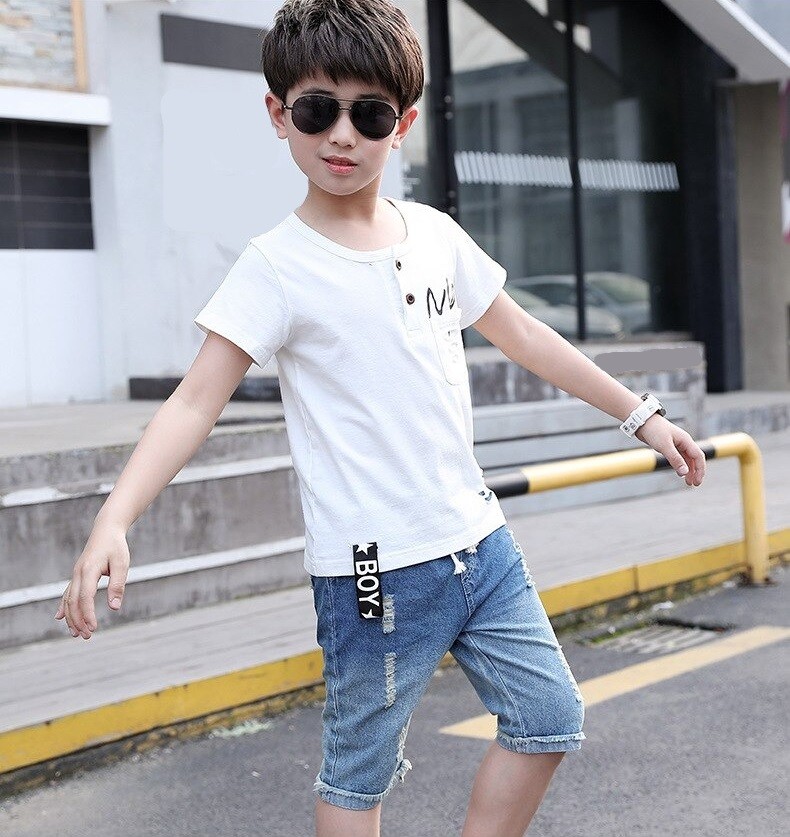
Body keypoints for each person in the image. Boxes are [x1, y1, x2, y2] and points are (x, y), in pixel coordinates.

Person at [55, 1, 707, 834]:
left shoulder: (434, 235)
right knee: (359, 777)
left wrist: (642, 414)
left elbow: (526, 336)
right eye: (316, 110)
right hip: (373, 573)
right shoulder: (275, 267)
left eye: (368, 114)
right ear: (278, 114)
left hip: (480, 543)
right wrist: (114, 518)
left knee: (548, 715)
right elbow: (193, 402)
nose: (341, 134)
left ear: (401, 126)